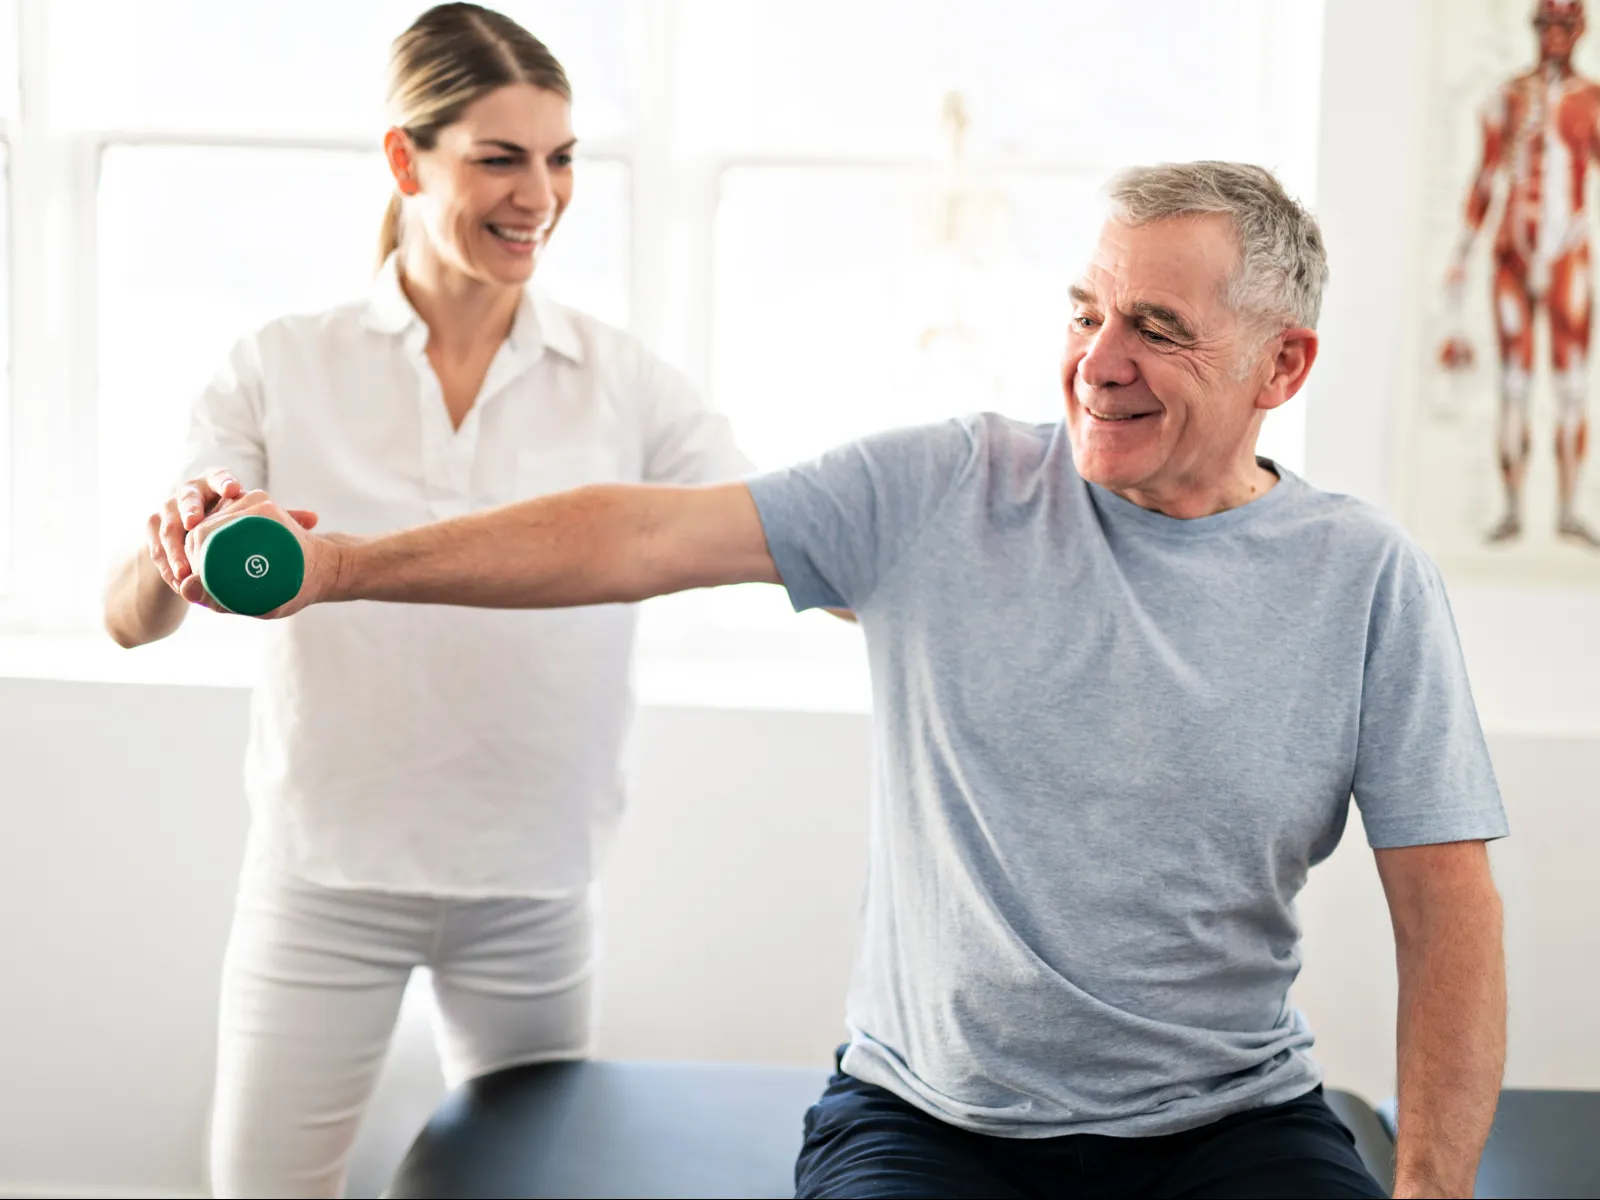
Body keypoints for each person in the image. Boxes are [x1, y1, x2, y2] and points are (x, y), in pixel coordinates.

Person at [184, 162, 1509, 1199]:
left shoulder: (1363, 580)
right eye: (1087, 312)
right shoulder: (943, 490)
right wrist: (342, 565)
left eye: (1159, 330)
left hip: (1231, 1122)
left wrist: (1432, 1186)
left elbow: (1445, 909)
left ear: (1285, 365)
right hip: (931, 1122)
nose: (1099, 362)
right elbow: (639, 531)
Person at [101, 5, 751, 1196]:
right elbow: (132, 618)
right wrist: (170, 552)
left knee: (537, 1184)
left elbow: (771, 533)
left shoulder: (625, 384)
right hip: (324, 877)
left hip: (531, 880)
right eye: (499, 157)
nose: (539, 195)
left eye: (560, 159)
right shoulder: (281, 362)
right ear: (407, 160)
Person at [1439, 0, 1600, 546]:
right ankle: (1511, 507)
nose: (1553, 36)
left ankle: (1568, 509)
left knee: (1573, 386)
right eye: (1544, 25)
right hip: (1512, 251)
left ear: (1579, 31)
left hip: (1567, 254)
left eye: (1564, 25)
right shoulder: (1508, 97)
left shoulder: (1592, 102)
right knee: (1514, 385)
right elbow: (1484, 178)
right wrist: (1461, 253)